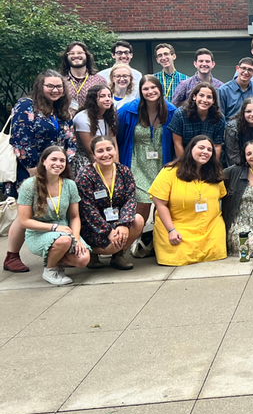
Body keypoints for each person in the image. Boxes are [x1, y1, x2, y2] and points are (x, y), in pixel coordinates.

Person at [5, 71, 77, 274]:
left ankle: (58, 247)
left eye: (59, 87)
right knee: (26, 211)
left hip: (57, 170)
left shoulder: (62, 110)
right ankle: (11, 256)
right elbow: (21, 138)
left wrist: (63, 164)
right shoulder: (26, 106)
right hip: (32, 170)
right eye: (50, 86)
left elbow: (70, 141)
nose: (55, 90)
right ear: (40, 86)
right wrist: (33, 169)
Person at [149, 135, 227, 266]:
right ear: (190, 149)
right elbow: (160, 204)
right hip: (178, 226)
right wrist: (171, 230)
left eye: (209, 150)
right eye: (201, 148)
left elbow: (221, 197)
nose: (205, 152)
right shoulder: (170, 171)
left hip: (209, 228)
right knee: (179, 256)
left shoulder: (215, 172)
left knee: (216, 255)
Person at [17, 146, 90, 285]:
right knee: (63, 241)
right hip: (39, 232)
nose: (58, 163)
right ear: (44, 161)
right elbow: (24, 221)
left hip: (66, 231)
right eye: (54, 159)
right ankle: (50, 269)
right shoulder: (29, 185)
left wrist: (77, 239)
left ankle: (56, 258)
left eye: (62, 160)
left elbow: (75, 217)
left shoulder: (70, 185)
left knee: (83, 260)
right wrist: (55, 227)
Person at [76, 135, 145, 270]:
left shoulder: (124, 171)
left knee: (138, 220)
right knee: (109, 244)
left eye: (109, 149)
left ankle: (118, 256)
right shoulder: (85, 175)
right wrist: (108, 231)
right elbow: (87, 209)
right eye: (100, 151)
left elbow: (130, 200)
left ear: (115, 151)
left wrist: (123, 224)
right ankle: (92, 252)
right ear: (94, 155)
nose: (106, 154)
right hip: (93, 225)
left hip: (118, 220)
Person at [115, 75, 176, 224]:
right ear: (140, 91)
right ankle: (134, 239)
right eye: (146, 88)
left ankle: (156, 241)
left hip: (162, 162)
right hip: (137, 162)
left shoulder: (172, 111)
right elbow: (116, 138)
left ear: (160, 89)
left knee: (163, 203)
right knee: (141, 204)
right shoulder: (128, 111)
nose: (150, 91)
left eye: (153, 87)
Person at [170, 83, 225, 161]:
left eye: (209, 97)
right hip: (184, 159)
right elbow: (178, 144)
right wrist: (183, 166)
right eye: (201, 95)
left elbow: (217, 146)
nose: (205, 100)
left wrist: (213, 167)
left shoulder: (219, 118)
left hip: (207, 161)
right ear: (194, 97)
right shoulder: (180, 114)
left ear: (213, 101)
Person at [72, 84, 117, 171]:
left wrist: (116, 167)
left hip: (106, 155)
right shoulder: (82, 118)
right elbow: (90, 150)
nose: (108, 99)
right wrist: (102, 172)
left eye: (109, 96)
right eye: (102, 96)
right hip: (87, 159)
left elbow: (114, 144)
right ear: (93, 100)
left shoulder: (110, 116)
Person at [60, 41, 107, 116]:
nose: (76, 55)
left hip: (91, 123)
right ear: (66, 57)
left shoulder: (99, 80)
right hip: (67, 124)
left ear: (87, 55)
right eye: (71, 53)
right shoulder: (60, 80)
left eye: (79, 53)